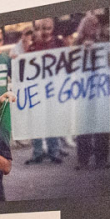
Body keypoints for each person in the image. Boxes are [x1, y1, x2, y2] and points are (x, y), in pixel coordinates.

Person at [69, 11, 110, 170]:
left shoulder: (104, 40)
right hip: (84, 89)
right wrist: (82, 49)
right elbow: (69, 60)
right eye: (90, 25)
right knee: (83, 123)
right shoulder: (77, 43)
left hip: (100, 88)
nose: (93, 27)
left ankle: (102, 158)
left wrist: (97, 46)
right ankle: (83, 158)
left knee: (101, 122)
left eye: (95, 25)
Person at [21, 17, 66, 164]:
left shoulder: (58, 43)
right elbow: (26, 65)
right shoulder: (34, 46)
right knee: (37, 120)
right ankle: (38, 152)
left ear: (52, 28)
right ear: (39, 29)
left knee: (52, 120)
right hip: (38, 89)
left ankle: (54, 151)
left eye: (48, 28)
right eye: (43, 28)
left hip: (53, 89)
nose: (45, 31)